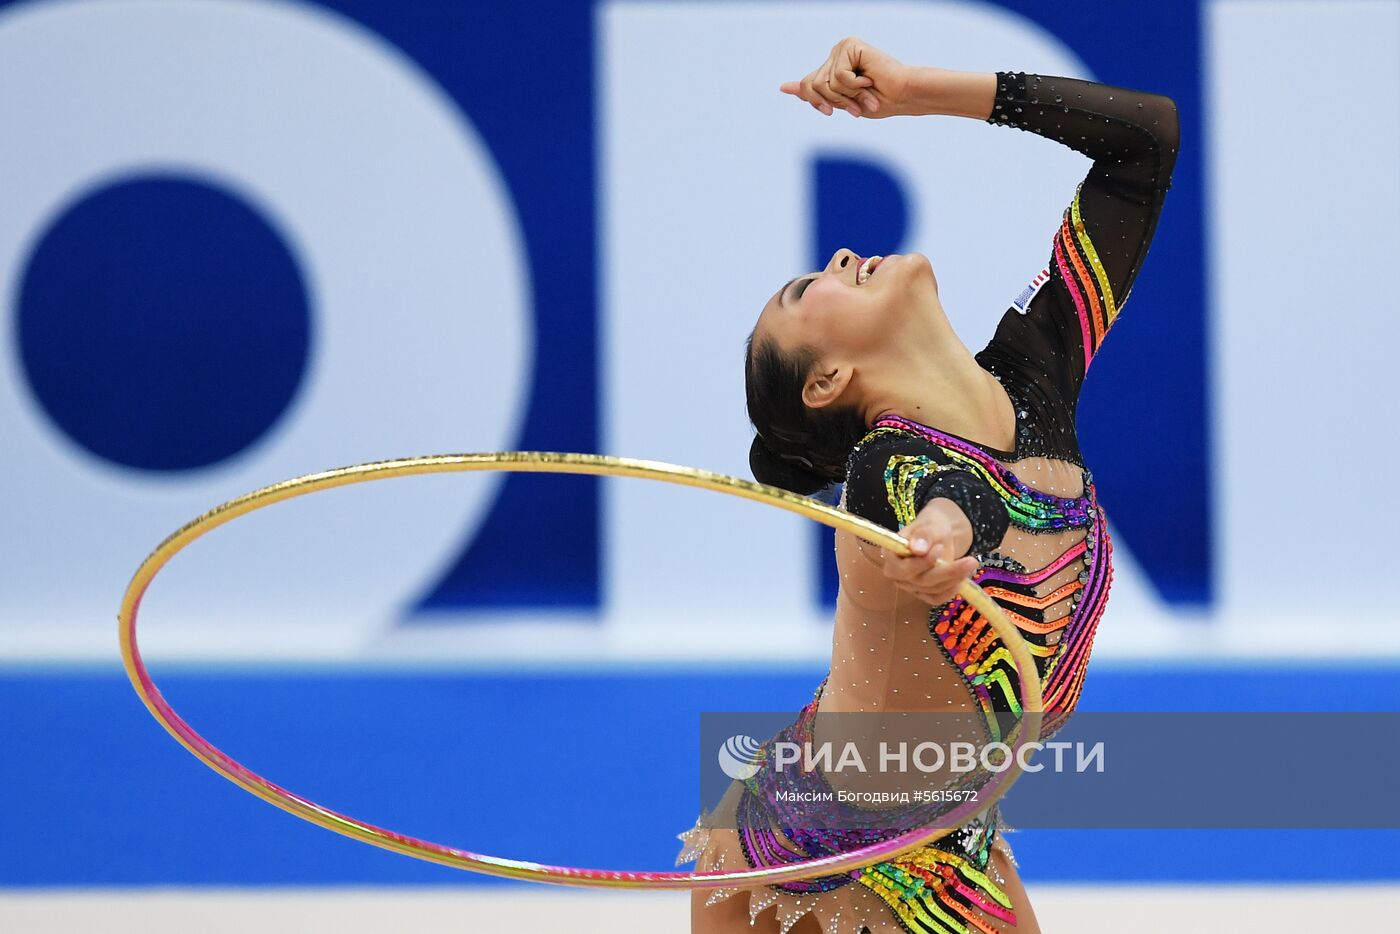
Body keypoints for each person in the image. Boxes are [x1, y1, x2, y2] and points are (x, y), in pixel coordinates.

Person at [677, 37, 1179, 934]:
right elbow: (951, 500)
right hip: (828, 860)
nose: (836, 254)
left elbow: (1144, 140)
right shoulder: (889, 469)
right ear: (826, 382)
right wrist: (948, 537)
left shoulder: (1039, 375)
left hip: (943, 835)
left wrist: (914, 91)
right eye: (806, 291)